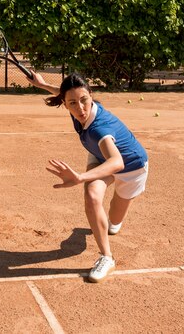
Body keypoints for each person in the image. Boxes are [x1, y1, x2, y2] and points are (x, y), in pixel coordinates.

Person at [27, 71, 149, 283]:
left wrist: (80, 177)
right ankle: (107, 258)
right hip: (100, 155)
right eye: (72, 103)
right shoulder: (75, 105)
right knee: (92, 197)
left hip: (132, 167)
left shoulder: (99, 129)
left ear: (91, 95)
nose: (80, 108)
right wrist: (44, 85)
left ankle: (107, 224)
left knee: (113, 223)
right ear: (65, 104)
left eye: (84, 100)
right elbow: (65, 93)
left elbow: (117, 163)